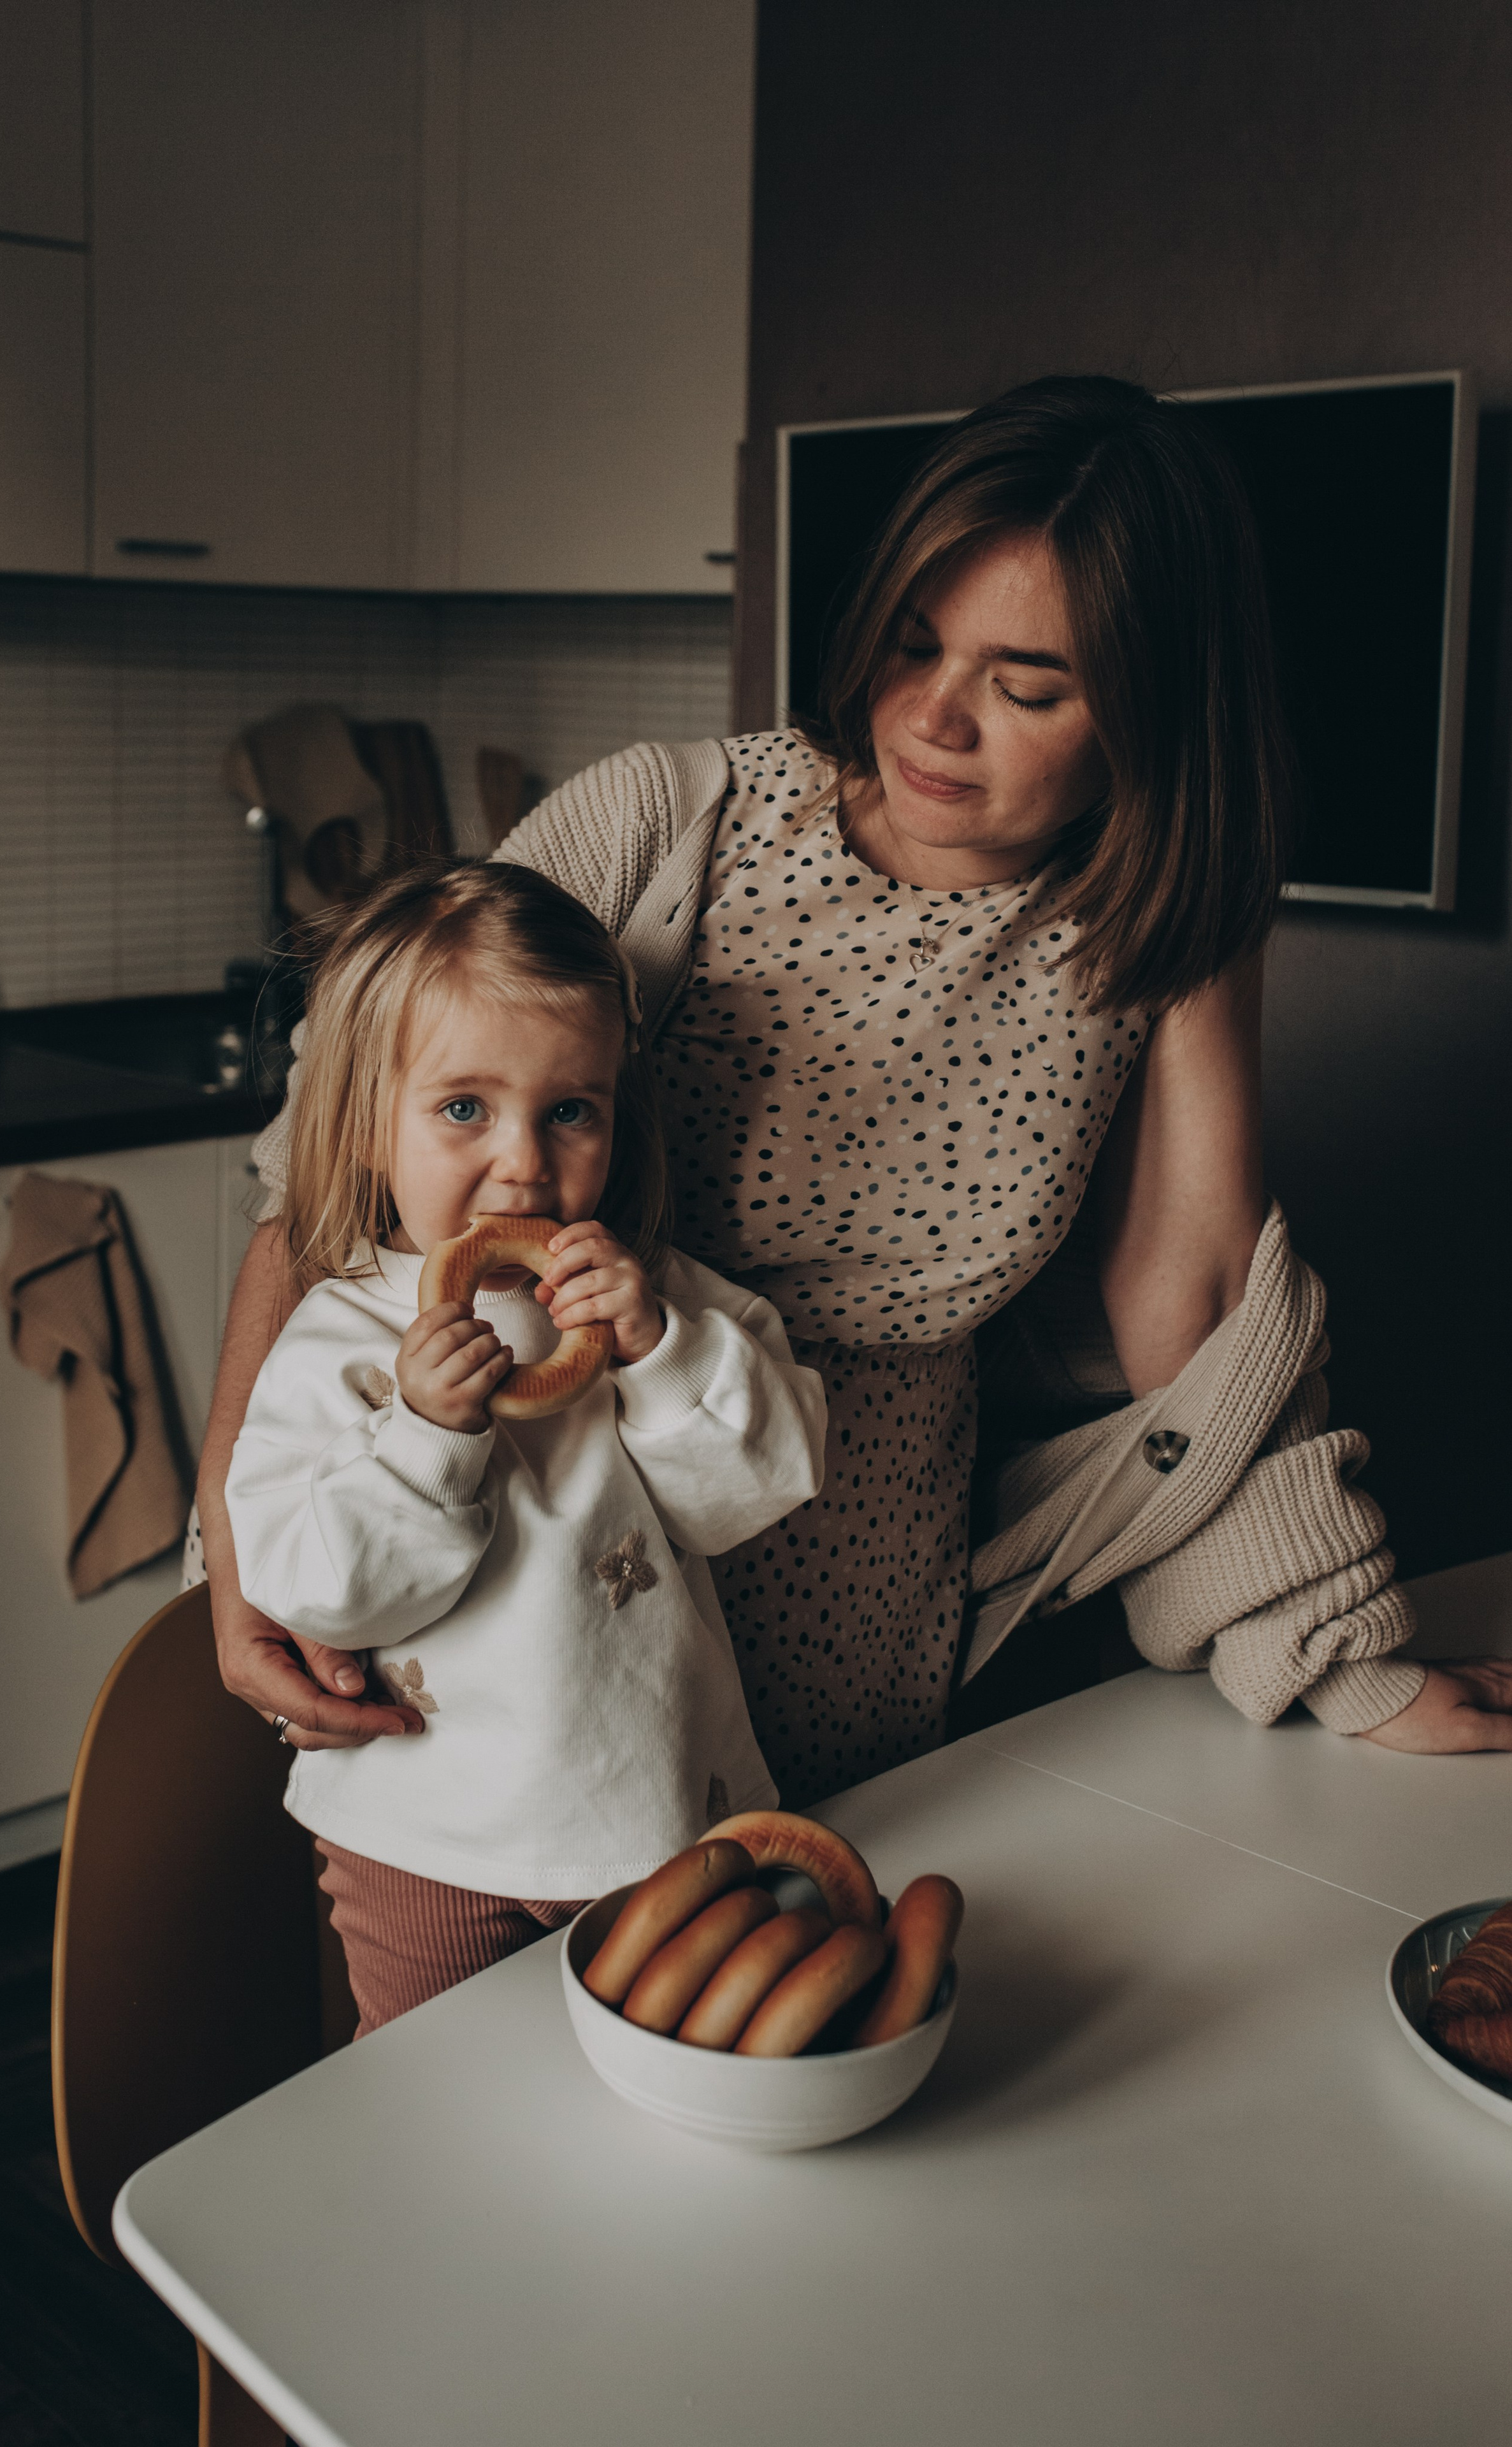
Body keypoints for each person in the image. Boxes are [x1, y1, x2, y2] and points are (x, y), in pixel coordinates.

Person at [199, 374, 1512, 1794]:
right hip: (508, 1608)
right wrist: (233, 1548)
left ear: (1150, 710)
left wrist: (1345, 1662)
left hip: (855, 1629)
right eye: (911, 643)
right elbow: (316, 1181)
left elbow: (1191, 1326)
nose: (937, 719)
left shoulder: (1160, 927)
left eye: (1026, 686)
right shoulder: (664, 824)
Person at [221, 859, 824, 2029]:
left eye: (569, 1112)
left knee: (654, 2081)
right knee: (438, 2102)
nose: (523, 1161)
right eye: (464, 1108)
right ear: (363, 1127)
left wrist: (659, 1350)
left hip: (651, 1809)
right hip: (426, 1837)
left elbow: (757, 1492)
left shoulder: (653, 1298)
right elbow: (318, 1593)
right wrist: (424, 1438)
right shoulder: (339, 1337)